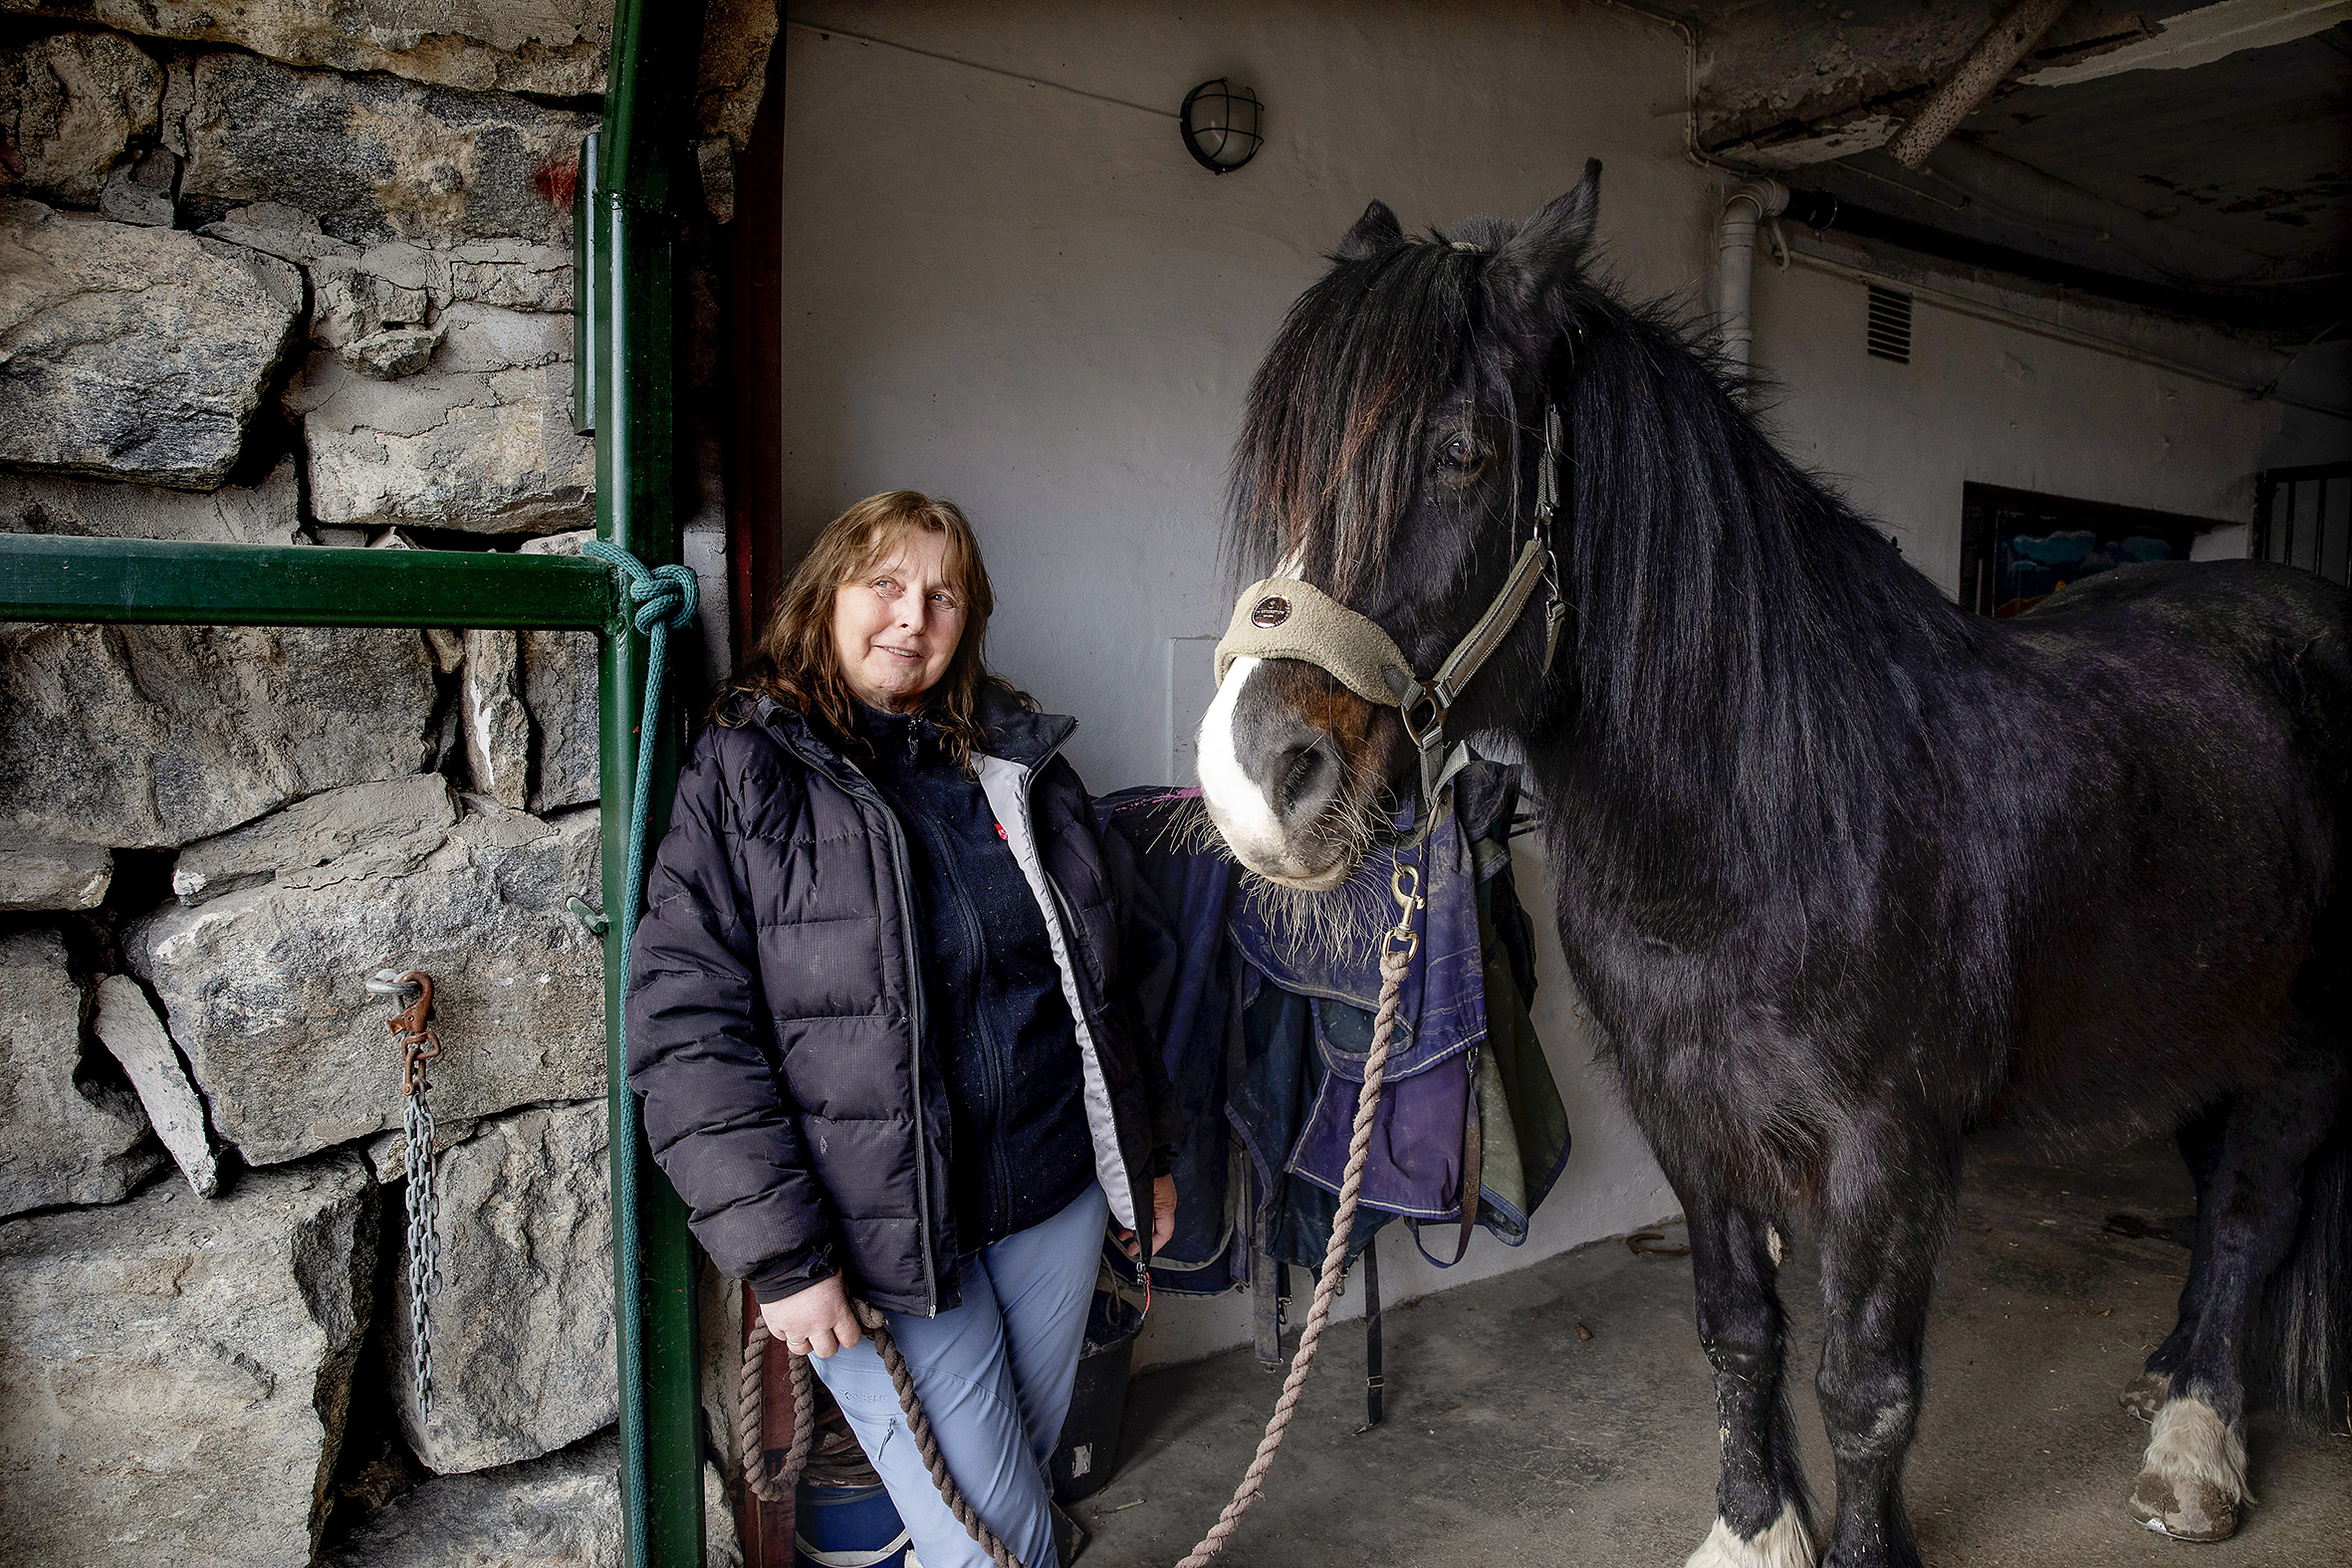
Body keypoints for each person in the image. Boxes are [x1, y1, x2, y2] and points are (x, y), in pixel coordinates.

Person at [625, 490, 1180, 1568]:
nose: (911, 615)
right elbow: (688, 1030)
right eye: (885, 583)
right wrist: (785, 1260)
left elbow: (1113, 981)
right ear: (827, 593)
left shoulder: (1018, 765)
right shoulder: (748, 769)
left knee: (998, 1482)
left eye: (942, 594)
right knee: (998, 1542)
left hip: (1052, 1197)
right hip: (882, 1246)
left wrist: (1145, 1155)